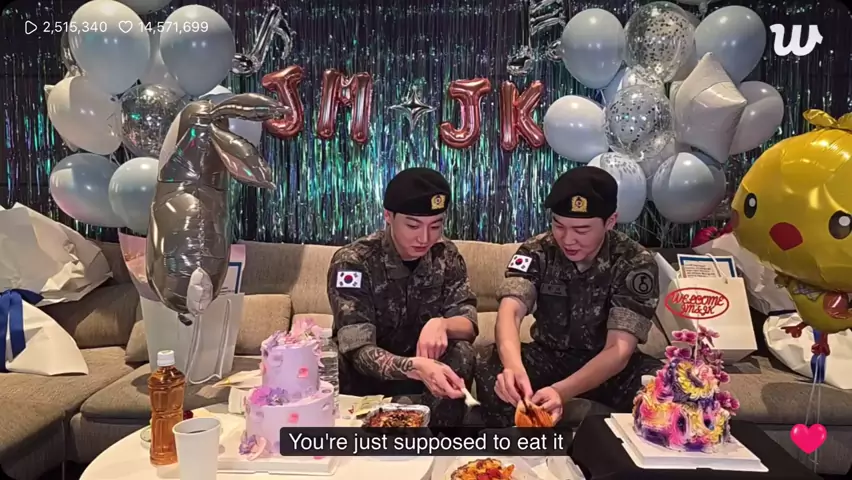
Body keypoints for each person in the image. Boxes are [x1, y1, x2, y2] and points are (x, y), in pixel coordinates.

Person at [475, 166, 661, 427]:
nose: (568, 239)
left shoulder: (634, 262)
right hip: (549, 357)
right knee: (488, 362)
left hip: (609, 366)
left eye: (581, 230)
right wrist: (513, 367)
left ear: (610, 221)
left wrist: (561, 391)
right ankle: (518, 445)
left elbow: (618, 350)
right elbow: (510, 311)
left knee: (664, 387)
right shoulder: (537, 251)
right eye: (558, 225)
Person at [327, 167, 478, 426]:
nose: (425, 238)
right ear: (388, 216)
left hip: (427, 377)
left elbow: (469, 323)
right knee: (330, 360)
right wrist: (412, 366)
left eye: (436, 226)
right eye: (412, 225)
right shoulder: (354, 262)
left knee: (462, 352)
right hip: (365, 376)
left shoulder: (446, 255)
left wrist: (443, 324)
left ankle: (439, 438)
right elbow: (358, 350)